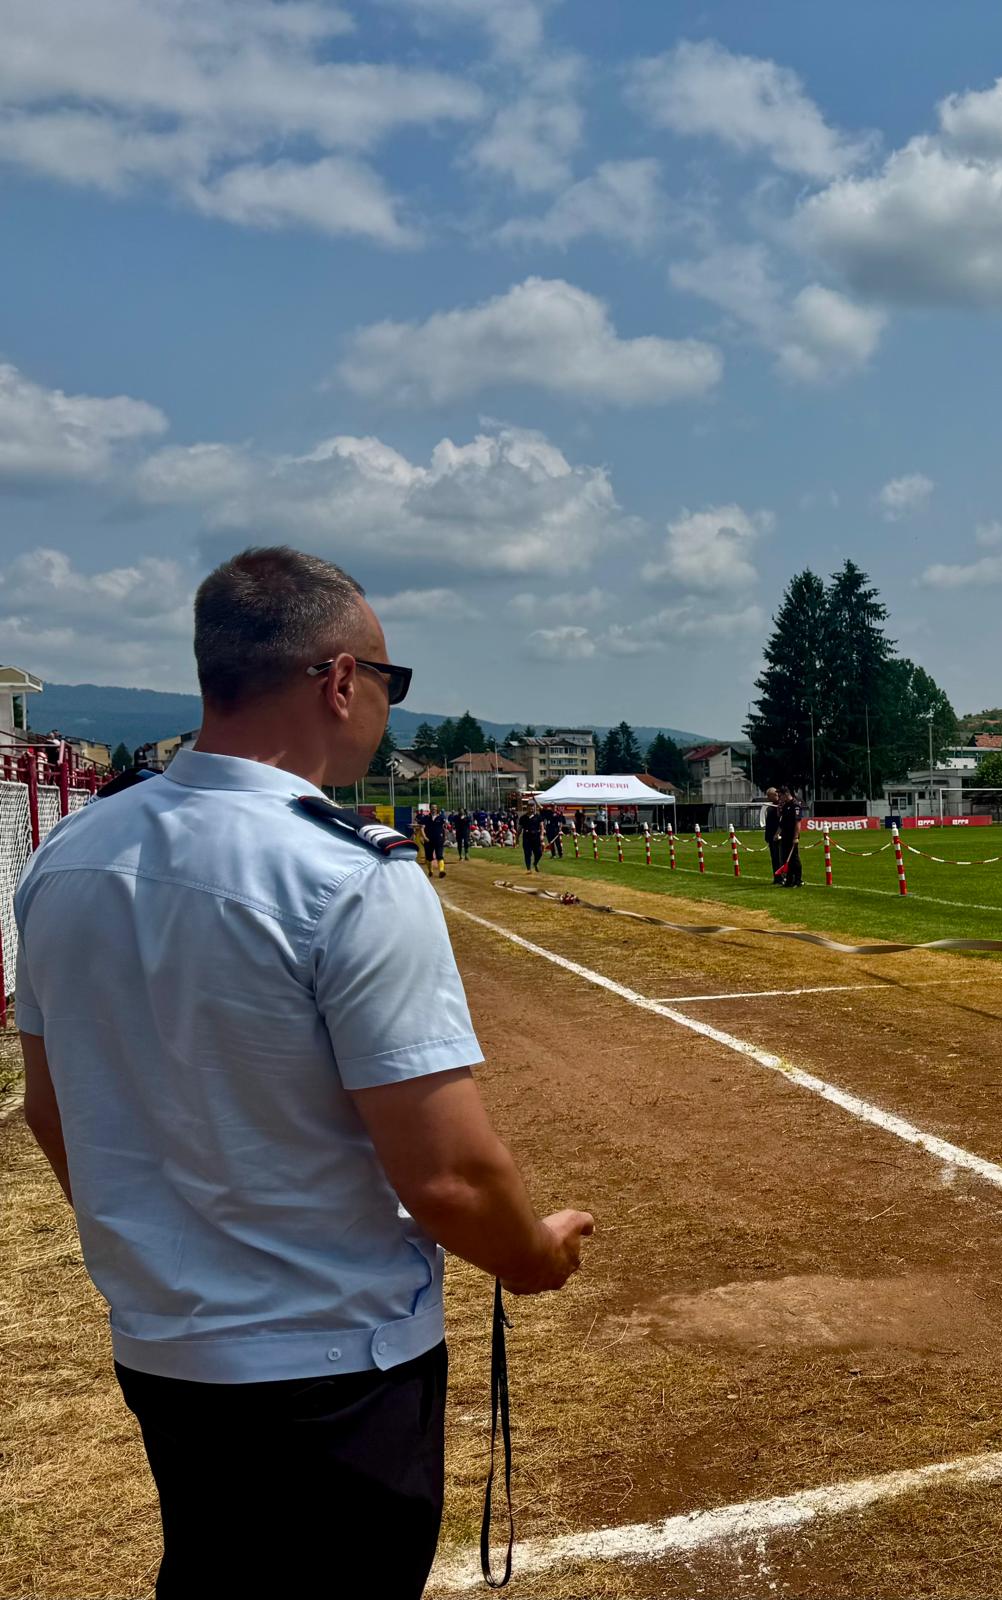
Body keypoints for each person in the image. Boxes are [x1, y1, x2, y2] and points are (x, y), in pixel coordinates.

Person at [14, 547, 593, 1600]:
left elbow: (53, 1115)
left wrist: (164, 1260)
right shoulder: (346, 873)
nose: (385, 708)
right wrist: (531, 1257)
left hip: (166, 1353)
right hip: (334, 1365)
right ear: (340, 680)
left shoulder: (68, 858)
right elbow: (449, 1175)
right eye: (389, 683)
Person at [778, 786, 803, 888]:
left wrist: (796, 837)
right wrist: (778, 833)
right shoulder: (785, 806)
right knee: (785, 858)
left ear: (786, 794)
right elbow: (782, 822)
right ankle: (789, 880)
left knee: (794, 858)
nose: (780, 798)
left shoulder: (795, 805)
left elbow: (798, 822)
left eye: (781, 796)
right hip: (785, 835)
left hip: (792, 835)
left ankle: (798, 880)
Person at [422, 805, 448, 879]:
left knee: (439, 855)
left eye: (435, 808)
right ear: (430, 809)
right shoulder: (426, 818)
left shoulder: (441, 817)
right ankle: (430, 871)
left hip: (438, 839)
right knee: (429, 857)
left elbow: (445, 827)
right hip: (428, 840)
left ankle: (441, 871)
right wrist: (424, 837)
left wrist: (445, 837)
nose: (434, 809)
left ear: (437, 809)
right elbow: (422, 828)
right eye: (432, 808)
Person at [763, 786, 782, 883]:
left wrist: (777, 834)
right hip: (770, 836)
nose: (767, 798)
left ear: (775, 795)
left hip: (778, 836)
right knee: (774, 858)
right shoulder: (770, 807)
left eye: (769, 796)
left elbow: (781, 823)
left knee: (779, 858)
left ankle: (782, 877)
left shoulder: (780, 806)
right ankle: (777, 877)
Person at [520, 800, 545, 873]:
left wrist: (542, 835)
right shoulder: (523, 817)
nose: (531, 807)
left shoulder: (538, 817)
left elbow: (542, 827)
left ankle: (535, 863)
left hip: (536, 836)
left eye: (532, 806)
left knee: (539, 853)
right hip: (526, 837)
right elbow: (519, 828)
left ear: (534, 807)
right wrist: (517, 838)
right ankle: (529, 869)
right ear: (527, 807)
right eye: (529, 806)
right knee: (527, 853)